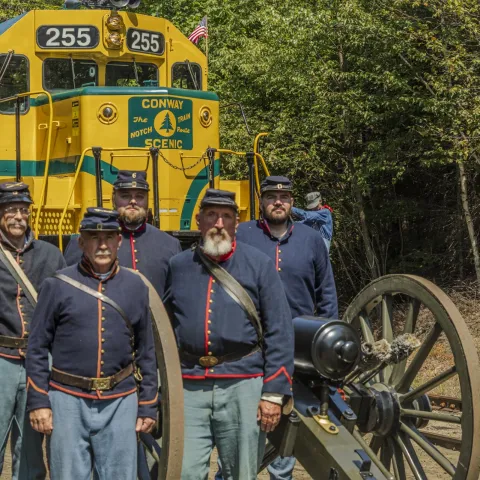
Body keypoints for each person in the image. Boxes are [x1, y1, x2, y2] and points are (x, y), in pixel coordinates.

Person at [164, 189, 294, 480]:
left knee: (240, 473)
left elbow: (280, 329)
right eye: (211, 215)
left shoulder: (259, 265)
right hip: (188, 386)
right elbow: (165, 327)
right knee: (182, 473)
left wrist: (273, 393)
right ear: (199, 221)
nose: (219, 223)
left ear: (236, 223)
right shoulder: (178, 266)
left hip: (242, 384)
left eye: (226, 216)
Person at [26, 208, 158, 480]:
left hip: (120, 399)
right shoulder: (58, 285)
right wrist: (40, 401)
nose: (102, 245)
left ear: (118, 242)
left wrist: (148, 403)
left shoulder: (135, 286)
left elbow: (146, 351)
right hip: (67, 398)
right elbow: (37, 347)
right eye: (93, 237)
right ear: (81, 242)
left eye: (109, 237)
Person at [236, 176, 338, 480]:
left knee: (288, 426)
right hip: (250, 347)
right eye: (271, 196)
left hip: (297, 346)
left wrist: (327, 348)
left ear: (292, 202)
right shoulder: (242, 235)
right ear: (262, 201)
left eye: (283, 196)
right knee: (248, 430)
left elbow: (327, 294)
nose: (277, 201)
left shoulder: (311, 240)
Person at [0, 182, 65, 480]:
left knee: (31, 446)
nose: (18, 217)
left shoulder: (51, 255)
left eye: (23, 211)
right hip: (1, 358)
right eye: (11, 210)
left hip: (38, 362)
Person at [64, 170, 182, 295]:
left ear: (148, 200)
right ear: (113, 199)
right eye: (125, 196)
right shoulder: (86, 242)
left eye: (140, 196)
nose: (133, 201)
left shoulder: (170, 245)